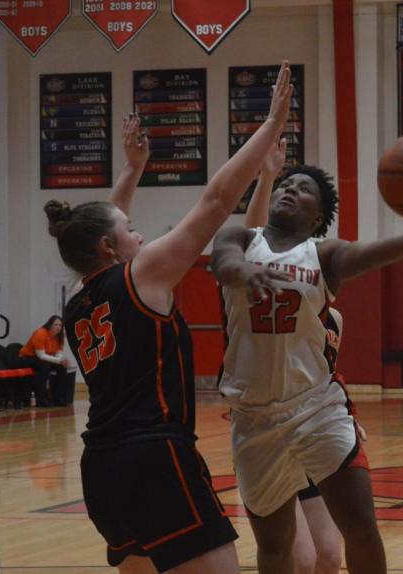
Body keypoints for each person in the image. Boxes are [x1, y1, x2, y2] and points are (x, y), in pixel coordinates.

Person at [47, 61, 294, 574]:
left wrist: (132, 172)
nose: (140, 236)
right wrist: (269, 126)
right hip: (154, 456)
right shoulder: (143, 275)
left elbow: (98, 234)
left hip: (101, 469)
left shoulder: (77, 298)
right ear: (111, 247)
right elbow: (218, 198)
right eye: (132, 230)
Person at [211, 156, 403, 573]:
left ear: (318, 216)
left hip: (316, 408)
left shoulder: (323, 255)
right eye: (287, 184)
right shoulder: (239, 237)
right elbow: (223, 264)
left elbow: (369, 252)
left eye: (304, 189)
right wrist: (243, 271)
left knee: (360, 528)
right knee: (274, 546)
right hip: (253, 418)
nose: (290, 189)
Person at [244, 140, 342, 574]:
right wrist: (266, 177)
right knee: (299, 558)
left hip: (311, 431)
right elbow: (252, 237)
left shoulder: (330, 307)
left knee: (331, 556)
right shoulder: (253, 260)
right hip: (268, 431)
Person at [16, 315, 70, 407]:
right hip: (26, 357)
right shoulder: (40, 333)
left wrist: (61, 360)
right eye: (55, 325)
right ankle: (41, 399)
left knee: (61, 367)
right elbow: (40, 355)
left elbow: (58, 353)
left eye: (60, 325)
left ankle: (58, 398)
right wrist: (58, 360)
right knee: (44, 366)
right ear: (50, 325)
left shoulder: (59, 337)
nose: (58, 327)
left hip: (43, 358)